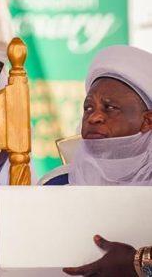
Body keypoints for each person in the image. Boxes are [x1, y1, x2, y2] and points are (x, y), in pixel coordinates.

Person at [32, 45, 152, 276]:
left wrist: (139, 263)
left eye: (110, 108)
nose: (94, 117)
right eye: (88, 108)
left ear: (147, 121)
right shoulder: (55, 186)